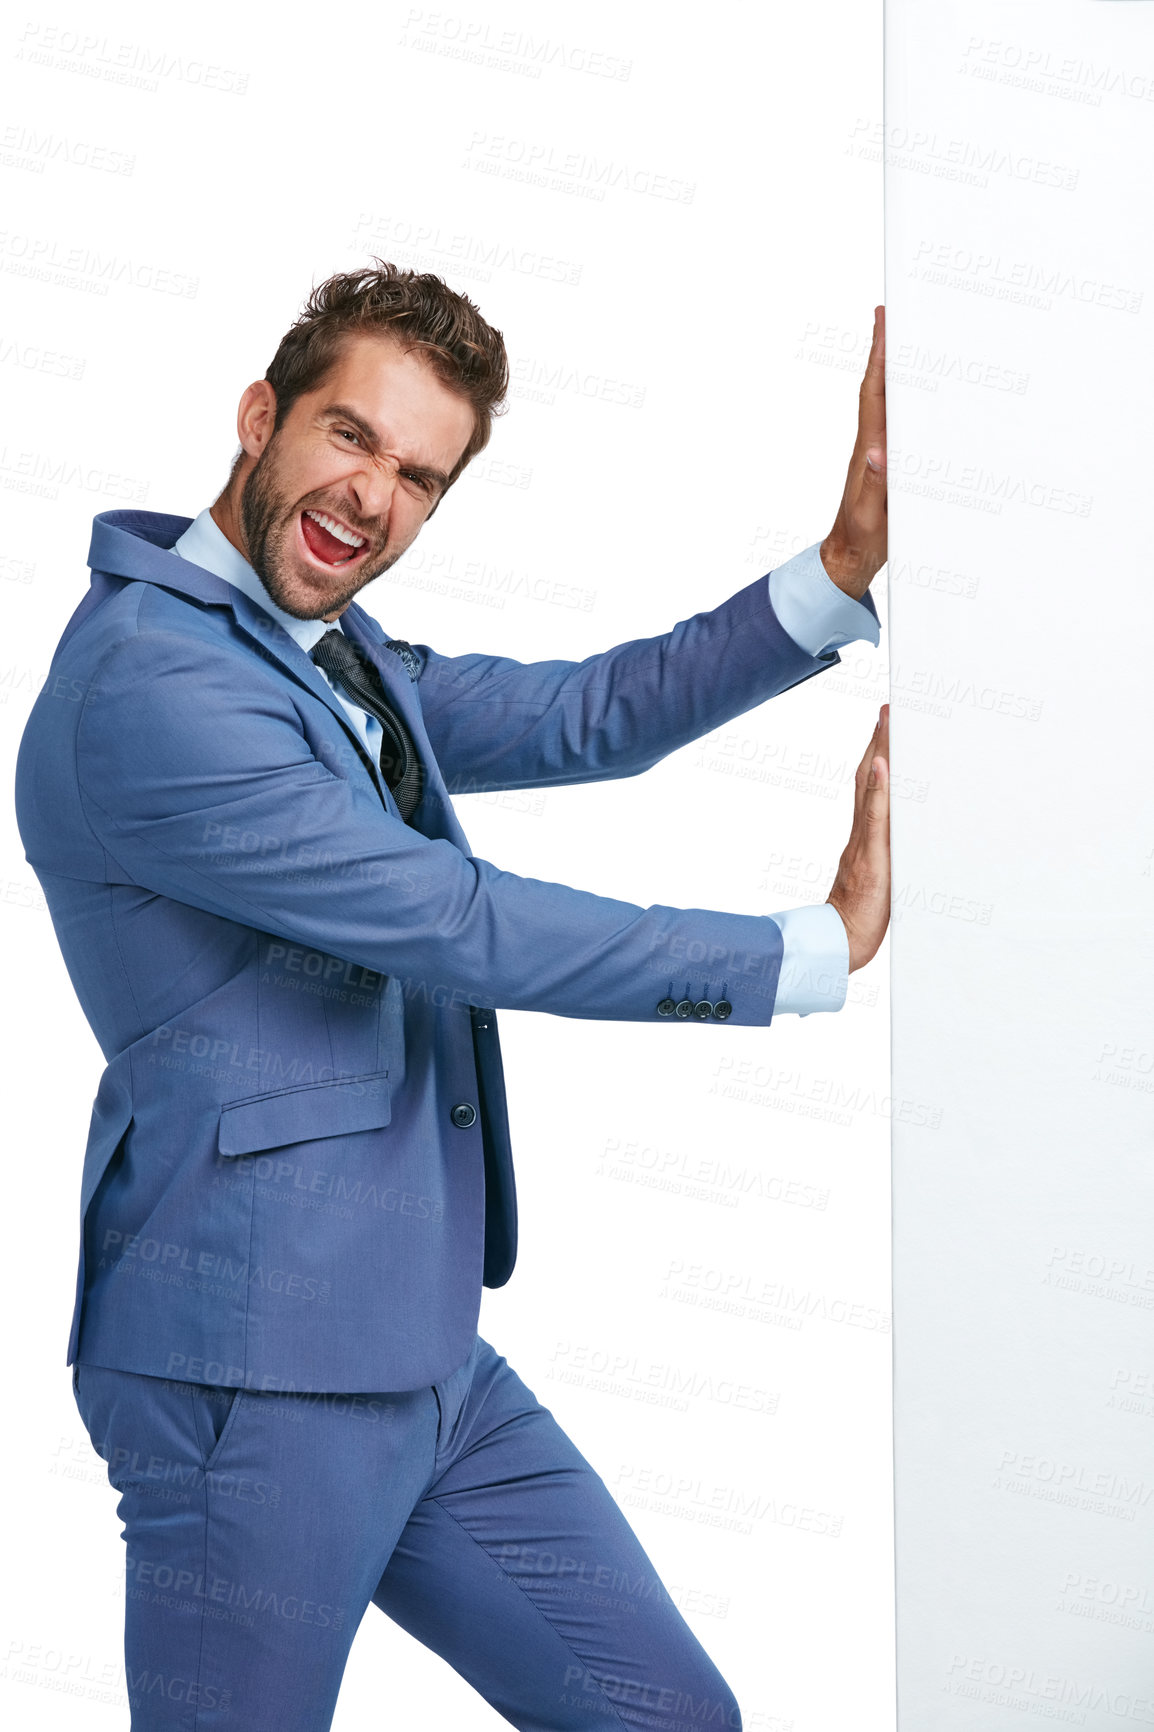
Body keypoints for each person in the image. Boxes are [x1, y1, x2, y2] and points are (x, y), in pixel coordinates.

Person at [15, 263, 890, 1731]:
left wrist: (835, 575)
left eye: (418, 475)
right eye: (350, 437)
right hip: (253, 1372)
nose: (374, 495)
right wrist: (807, 948)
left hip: (415, 1346)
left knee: (664, 1714)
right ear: (259, 417)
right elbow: (454, 921)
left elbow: (580, 712)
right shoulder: (156, 688)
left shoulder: (317, 656)